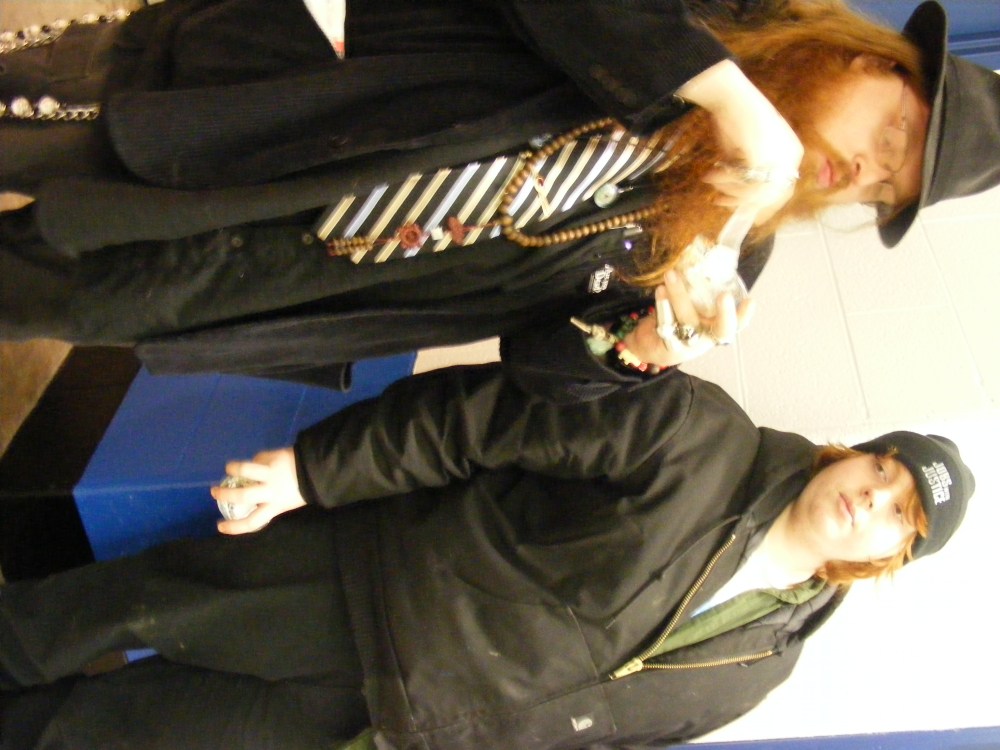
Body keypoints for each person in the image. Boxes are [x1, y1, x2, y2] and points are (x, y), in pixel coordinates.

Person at [1, 0, 998, 388]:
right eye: (892, 136)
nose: (862, 171)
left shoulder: (724, 252)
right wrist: (716, 88)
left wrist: (643, 350)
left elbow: (539, 364)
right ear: (873, 60)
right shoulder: (724, 15)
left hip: (262, 276)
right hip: (246, 109)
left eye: (886, 188)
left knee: (29, 296)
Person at [0, 353, 975, 749]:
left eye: (898, 514)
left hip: (380, 724)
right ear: (857, 452)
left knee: (105, 737)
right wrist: (315, 472)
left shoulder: (764, 663)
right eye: (883, 467)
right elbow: (484, 416)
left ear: (892, 555)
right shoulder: (700, 435)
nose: (871, 495)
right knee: (85, 617)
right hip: (352, 588)